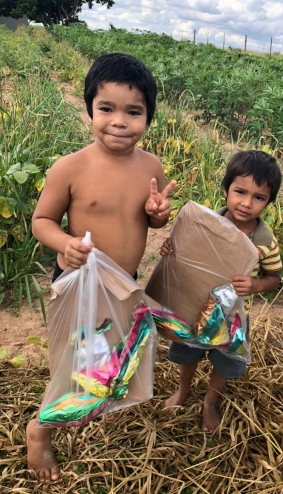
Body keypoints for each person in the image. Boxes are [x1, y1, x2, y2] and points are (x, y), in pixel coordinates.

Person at [26, 53, 176, 483]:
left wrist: (157, 213)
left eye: (133, 111)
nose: (119, 121)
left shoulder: (149, 167)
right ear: (89, 108)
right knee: (76, 363)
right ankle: (40, 431)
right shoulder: (70, 168)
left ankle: (96, 403)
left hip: (122, 286)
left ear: (148, 116)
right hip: (80, 285)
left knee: (109, 357)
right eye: (106, 108)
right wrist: (67, 244)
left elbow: (147, 220)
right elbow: (41, 222)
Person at [159, 150, 282, 433]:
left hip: (232, 318)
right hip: (196, 304)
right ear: (226, 189)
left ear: (268, 202)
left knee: (225, 362)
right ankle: (183, 389)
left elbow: (273, 276)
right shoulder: (206, 224)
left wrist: (255, 285)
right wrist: (170, 250)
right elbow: (184, 253)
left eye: (259, 197)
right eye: (240, 191)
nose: (247, 203)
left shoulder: (264, 240)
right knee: (188, 350)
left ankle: (210, 400)